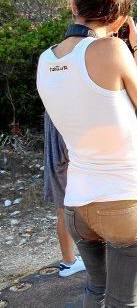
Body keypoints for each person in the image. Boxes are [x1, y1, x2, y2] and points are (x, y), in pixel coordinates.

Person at [36, 0, 137, 307]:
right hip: (128, 202)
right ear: (121, 19)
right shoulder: (113, 49)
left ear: (74, 6)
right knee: (123, 301)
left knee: (96, 290)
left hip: (78, 206)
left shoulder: (46, 60)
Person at [43, 112, 86, 277]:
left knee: (65, 209)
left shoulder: (52, 90)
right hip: (64, 159)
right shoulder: (62, 95)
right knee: (66, 209)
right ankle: (69, 262)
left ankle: (69, 262)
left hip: (59, 157)